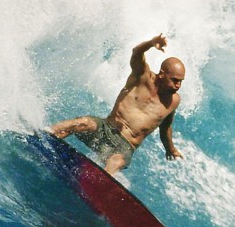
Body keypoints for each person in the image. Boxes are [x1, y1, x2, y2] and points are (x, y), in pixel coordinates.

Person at [50, 34, 186, 175]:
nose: (178, 85)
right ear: (162, 74)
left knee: (117, 161)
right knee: (83, 123)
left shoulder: (174, 101)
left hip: (125, 146)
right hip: (106, 128)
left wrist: (170, 149)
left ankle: (98, 185)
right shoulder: (142, 76)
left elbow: (165, 128)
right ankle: (45, 135)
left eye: (181, 81)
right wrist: (151, 43)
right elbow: (136, 52)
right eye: (175, 80)